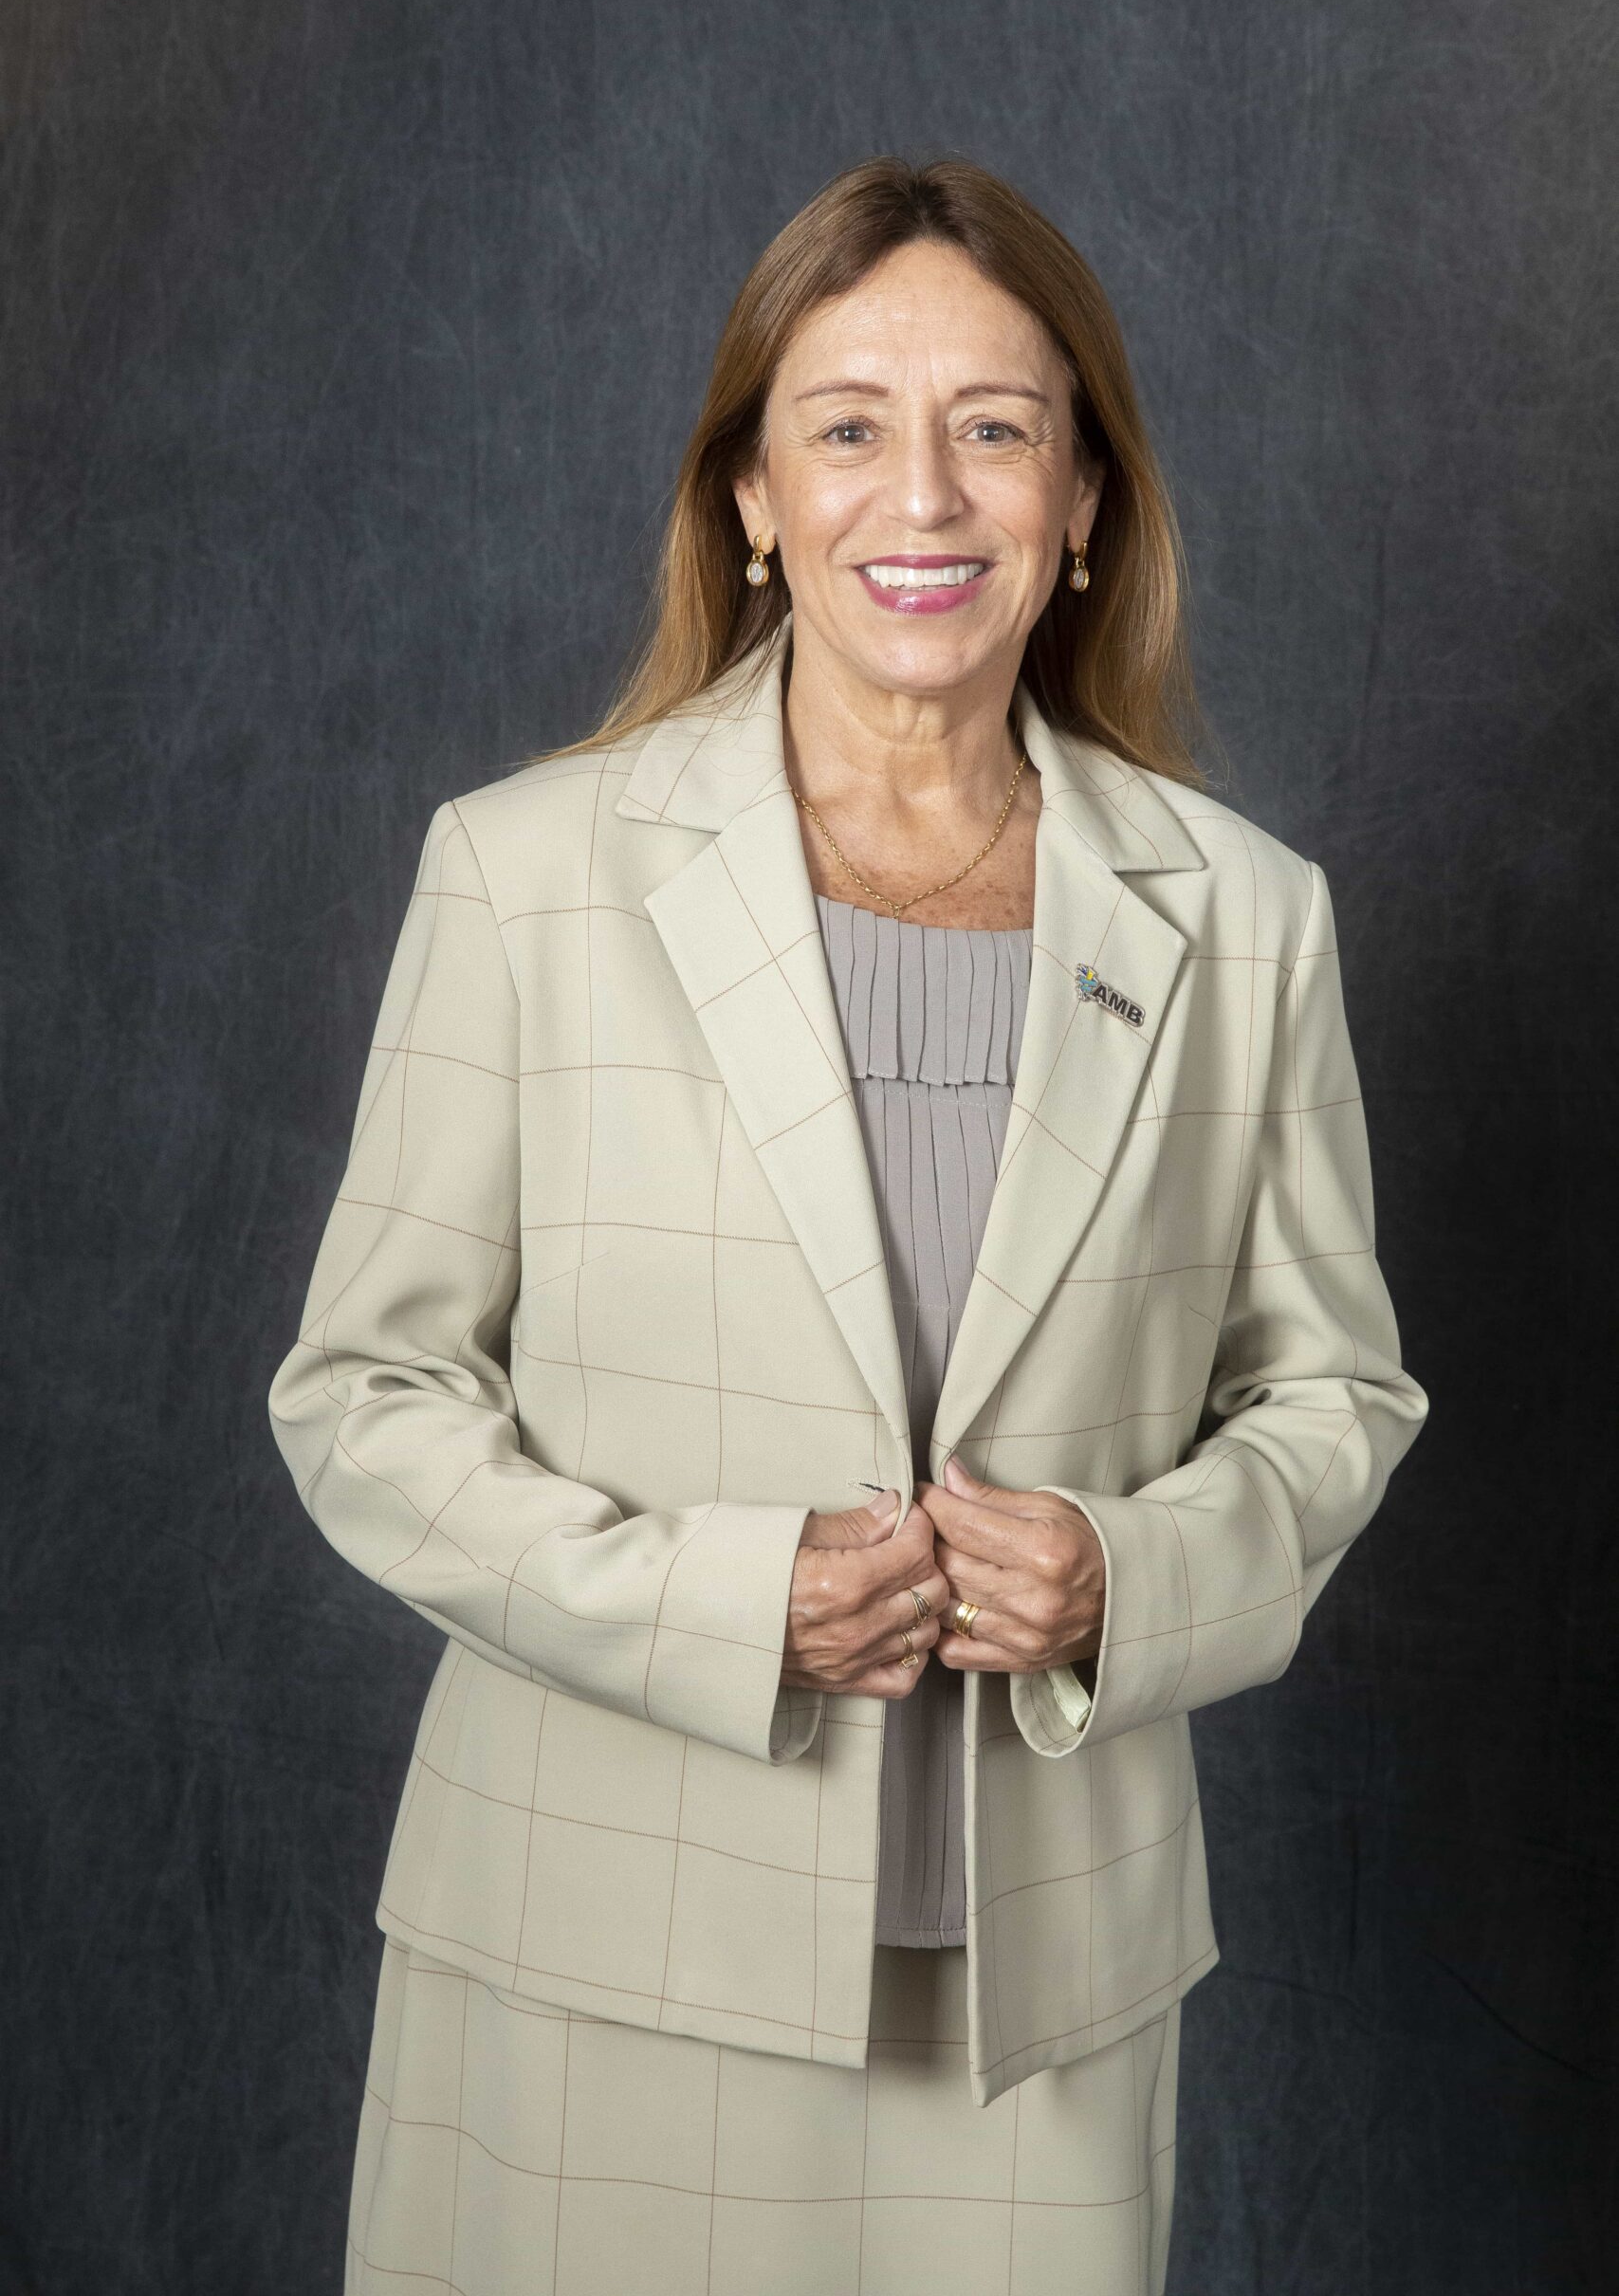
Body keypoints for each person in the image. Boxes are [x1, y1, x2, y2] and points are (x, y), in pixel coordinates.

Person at [268, 154, 1427, 2296]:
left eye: (995, 427)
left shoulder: (1248, 919)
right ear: (751, 497)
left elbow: (1331, 1395)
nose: (924, 495)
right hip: (589, 1955)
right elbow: (365, 1397)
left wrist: (1123, 1575)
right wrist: (725, 1607)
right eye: (846, 426)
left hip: (1037, 2012)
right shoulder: (524, 873)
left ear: (1083, 503)